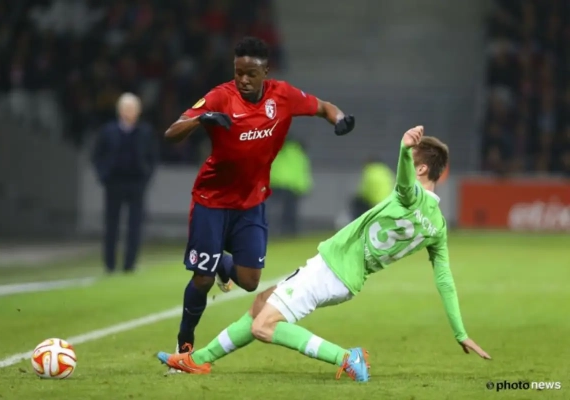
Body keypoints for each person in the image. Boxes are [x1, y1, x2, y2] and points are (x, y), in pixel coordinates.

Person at [157, 126, 491, 382]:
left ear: (421, 170)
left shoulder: (410, 196)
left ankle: (347, 357)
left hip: (331, 269)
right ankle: (199, 360)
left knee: (264, 327)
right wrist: (460, 332)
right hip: (346, 278)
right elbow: (444, 280)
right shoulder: (438, 226)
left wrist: (404, 149)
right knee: (261, 303)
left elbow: (404, 183)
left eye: (410, 161)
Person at [163, 36, 356, 362]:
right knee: (202, 278)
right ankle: (185, 344)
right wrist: (201, 119)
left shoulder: (283, 96)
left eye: (250, 74)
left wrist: (339, 120)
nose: (243, 79)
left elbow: (324, 107)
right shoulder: (220, 97)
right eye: (238, 72)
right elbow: (172, 132)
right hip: (212, 200)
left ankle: (221, 262)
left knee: (251, 282)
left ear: (266, 72)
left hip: (251, 202)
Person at [91, 93, 159, 273]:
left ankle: (130, 264)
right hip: (114, 182)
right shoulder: (108, 131)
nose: (129, 112)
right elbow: (97, 155)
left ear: (139, 111)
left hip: (136, 182)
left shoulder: (145, 131)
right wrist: (103, 176)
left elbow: (153, 157)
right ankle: (109, 264)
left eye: (133, 108)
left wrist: (146, 177)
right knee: (111, 224)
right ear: (119, 110)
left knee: (135, 225)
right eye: (126, 108)